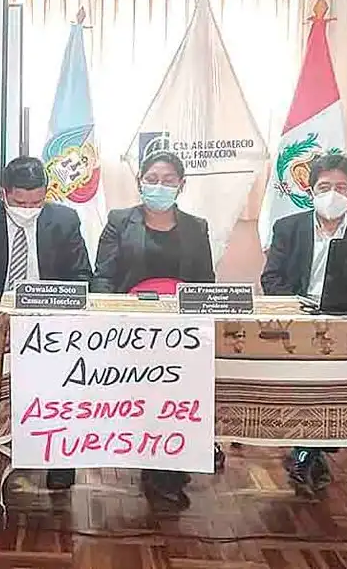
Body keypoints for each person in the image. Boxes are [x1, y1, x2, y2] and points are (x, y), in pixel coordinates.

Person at [0, 155, 92, 489]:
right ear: (3, 193)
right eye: (19, 201)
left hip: (48, 322)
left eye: (37, 201)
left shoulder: (65, 220)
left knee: (60, 379)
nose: (29, 208)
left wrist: (59, 310)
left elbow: (82, 276)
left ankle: (57, 455)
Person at [91, 150, 213, 510]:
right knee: (147, 400)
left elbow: (205, 281)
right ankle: (156, 467)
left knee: (178, 400)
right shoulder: (119, 220)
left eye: (169, 180)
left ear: (182, 185)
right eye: (153, 179)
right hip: (132, 330)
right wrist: (109, 317)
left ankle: (170, 464)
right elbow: (104, 275)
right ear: (140, 181)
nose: (159, 186)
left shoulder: (196, 226)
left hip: (182, 332)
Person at [260, 153, 347, 498]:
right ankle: (308, 452)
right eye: (324, 186)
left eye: (340, 187)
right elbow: (271, 279)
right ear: (311, 190)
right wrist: (302, 309)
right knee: (307, 381)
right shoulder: (289, 228)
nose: (332, 193)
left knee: (339, 384)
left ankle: (308, 452)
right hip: (300, 322)